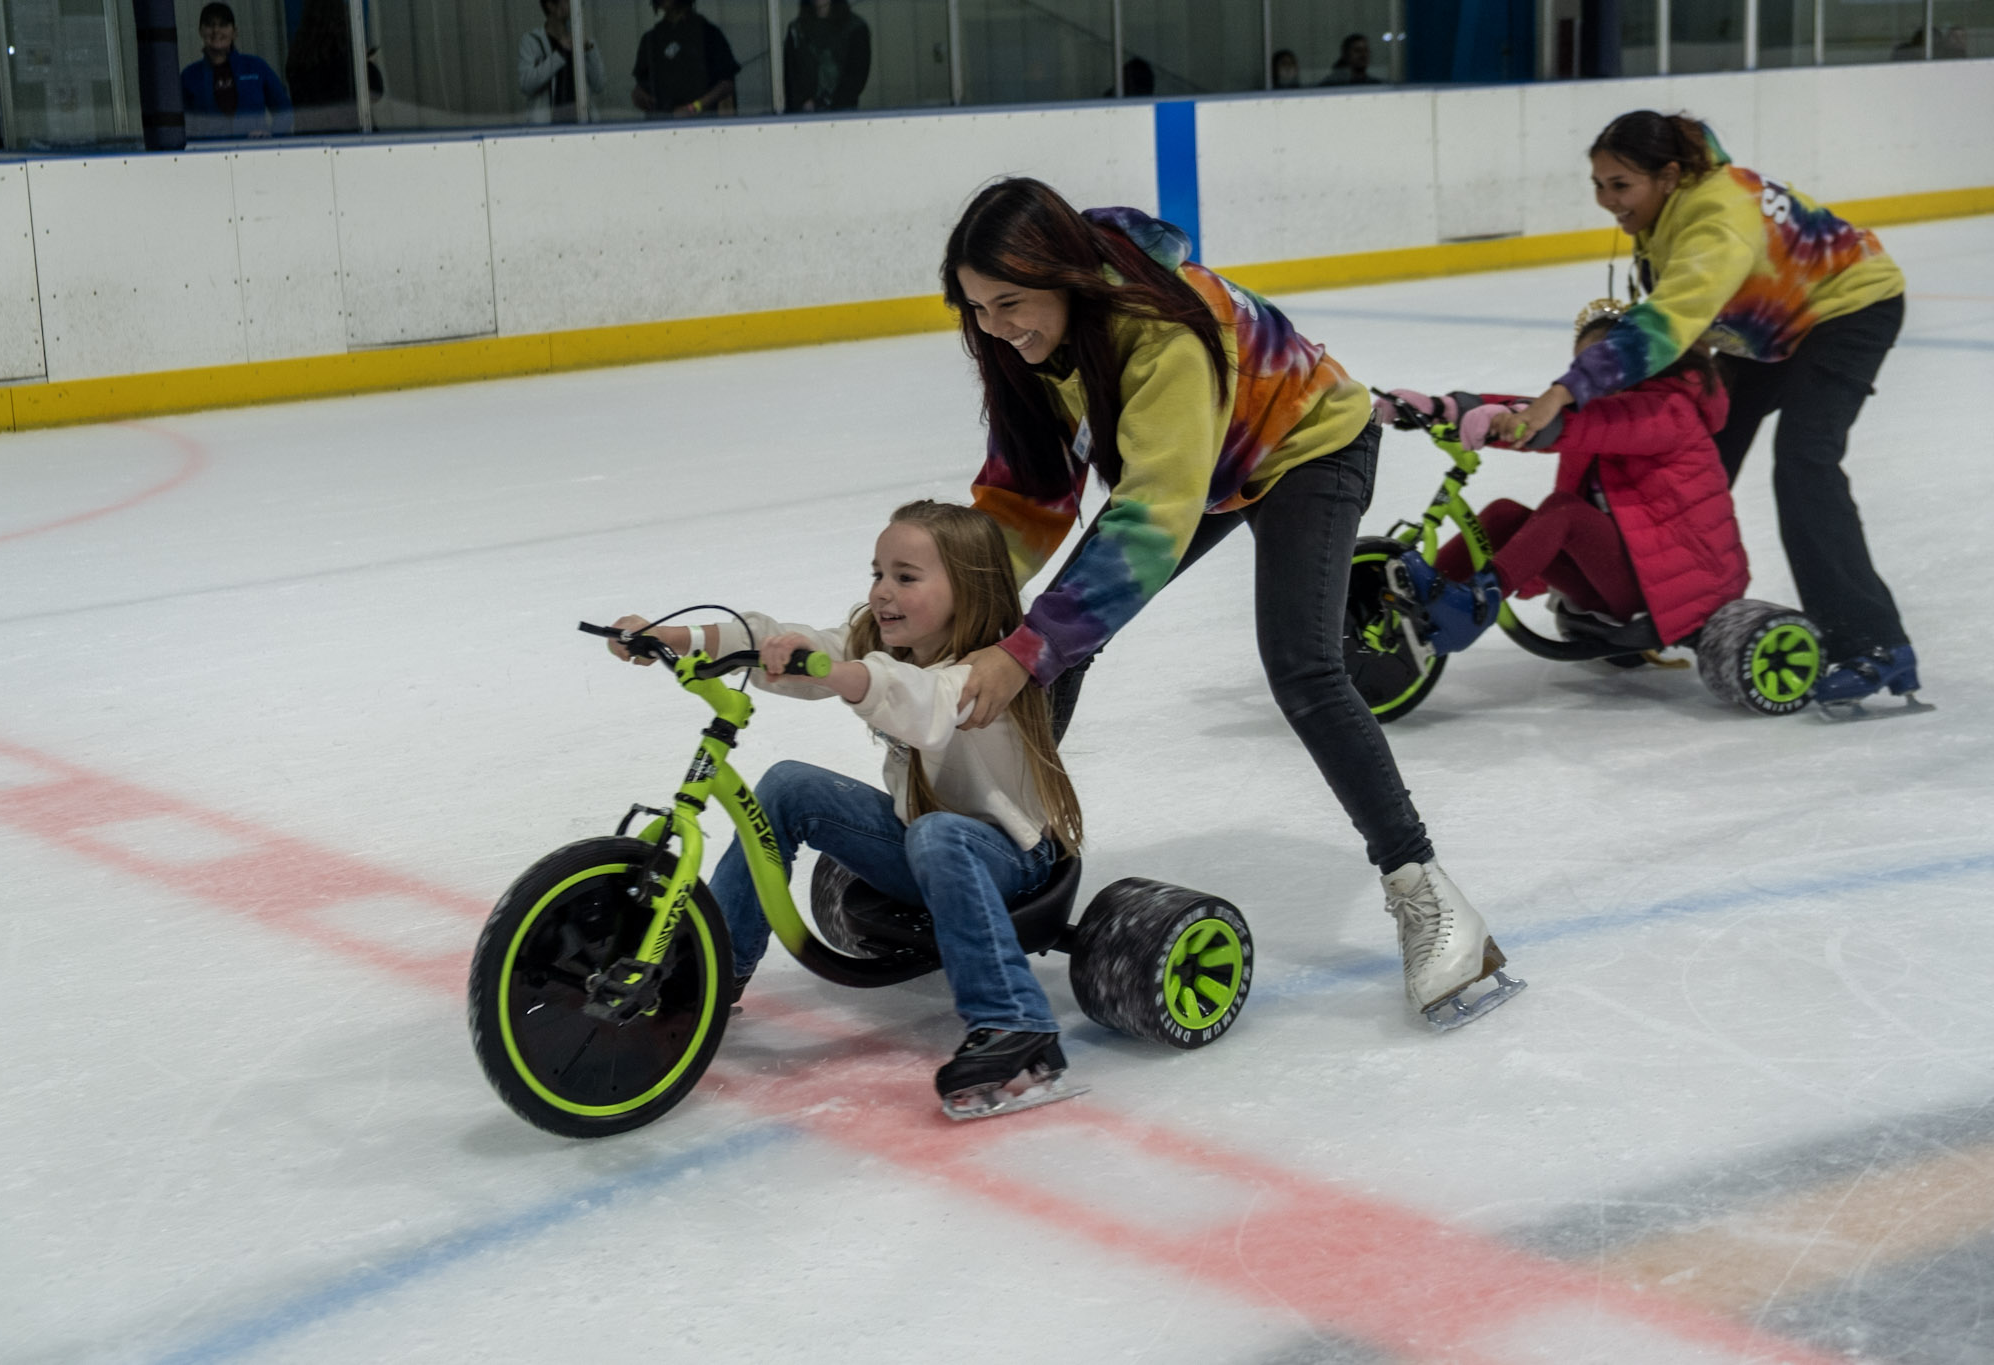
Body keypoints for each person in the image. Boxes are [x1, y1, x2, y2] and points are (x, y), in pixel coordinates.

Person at [942, 179, 1521, 1029]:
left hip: (1306, 444)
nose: (996, 327)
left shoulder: (1164, 332)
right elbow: (1027, 495)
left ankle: (1431, 900)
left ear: (1065, 276)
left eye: (1011, 302)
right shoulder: (1023, 341)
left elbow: (1150, 520)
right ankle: (988, 847)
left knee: (1305, 669)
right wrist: (958, 601)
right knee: (1048, 637)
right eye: (977, 307)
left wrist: (1024, 647)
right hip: (1208, 463)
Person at [608, 500, 1086, 1116]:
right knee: (786, 786)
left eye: (906, 578)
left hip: (1014, 860)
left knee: (941, 833)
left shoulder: (992, 671)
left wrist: (847, 676)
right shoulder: (882, 642)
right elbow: (810, 647)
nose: (882, 592)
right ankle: (710, 975)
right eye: (878, 573)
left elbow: (924, 704)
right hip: (922, 838)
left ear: (968, 588)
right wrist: (676, 636)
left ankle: (1016, 1024)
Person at [1506, 111, 1915, 707]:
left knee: (1805, 465)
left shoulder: (1718, 217)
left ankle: (1875, 643)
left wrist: (1565, 391)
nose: (1606, 201)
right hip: (1759, 326)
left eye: (1620, 186)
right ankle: (1651, 599)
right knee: (1691, 454)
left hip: (1846, 310)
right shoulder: (1675, 198)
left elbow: (1669, 319)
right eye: (1598, 184)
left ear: (1669, 176)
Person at [1376, 300, 1747, 654]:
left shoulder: (1668, 412)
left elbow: (1572, 425)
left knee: (1565, 511)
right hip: (1622, 572)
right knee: (1505, 514)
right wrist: (1445, 408)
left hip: (1676, 585)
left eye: (1604, 369)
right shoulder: (1606, 411)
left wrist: (1506, 423)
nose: (1592, 382)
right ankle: (1415, 594)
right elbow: (1545, 414)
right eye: (1583, 370)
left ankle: (1476, 604)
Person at [180, 3, 293, 139]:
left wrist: (272, 134)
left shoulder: (256, 67)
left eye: (223, 25)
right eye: (210, 25)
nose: (216, 30)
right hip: (209, 155)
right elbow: (179, 123)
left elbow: (284, 109)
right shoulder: (189, 76)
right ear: (201, 31)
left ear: (235, 32)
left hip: (254, 153)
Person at [285, 0, 384, 134]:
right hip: (350, 136)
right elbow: (375, 92)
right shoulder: (346, 57)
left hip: (310, 138)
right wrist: (365, 61)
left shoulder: (298, 57)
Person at [632, 0, 738, 119]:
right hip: (660, 125)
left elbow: (726, 84)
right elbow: (640, 87)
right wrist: (639, 96)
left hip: (702, 125)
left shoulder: (707, 34)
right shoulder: (651, 39)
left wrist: (694, 108)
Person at [518, 0, 606, 124]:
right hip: (547, 128)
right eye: (568, 1)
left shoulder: (583, 41)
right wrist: (559, 54)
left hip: (583, 123)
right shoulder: (532, 42)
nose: (575, 7)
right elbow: (527, 84)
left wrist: (589, 50)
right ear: (551, 6)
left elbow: (599, 84)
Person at [782, 0, 869, 114]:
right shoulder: (796, 30)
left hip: (843, 114)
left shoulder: (856, 29)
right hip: (802, 116)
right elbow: (791, 78)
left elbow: (856, 77)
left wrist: (825, 103)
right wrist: (802, 104)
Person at [1316, 33, 1382, 86]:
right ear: (1346, 55)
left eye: (1366, 50)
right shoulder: (1333, 85)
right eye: (1358, 50)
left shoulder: (1376, 85)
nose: (1363, 55)